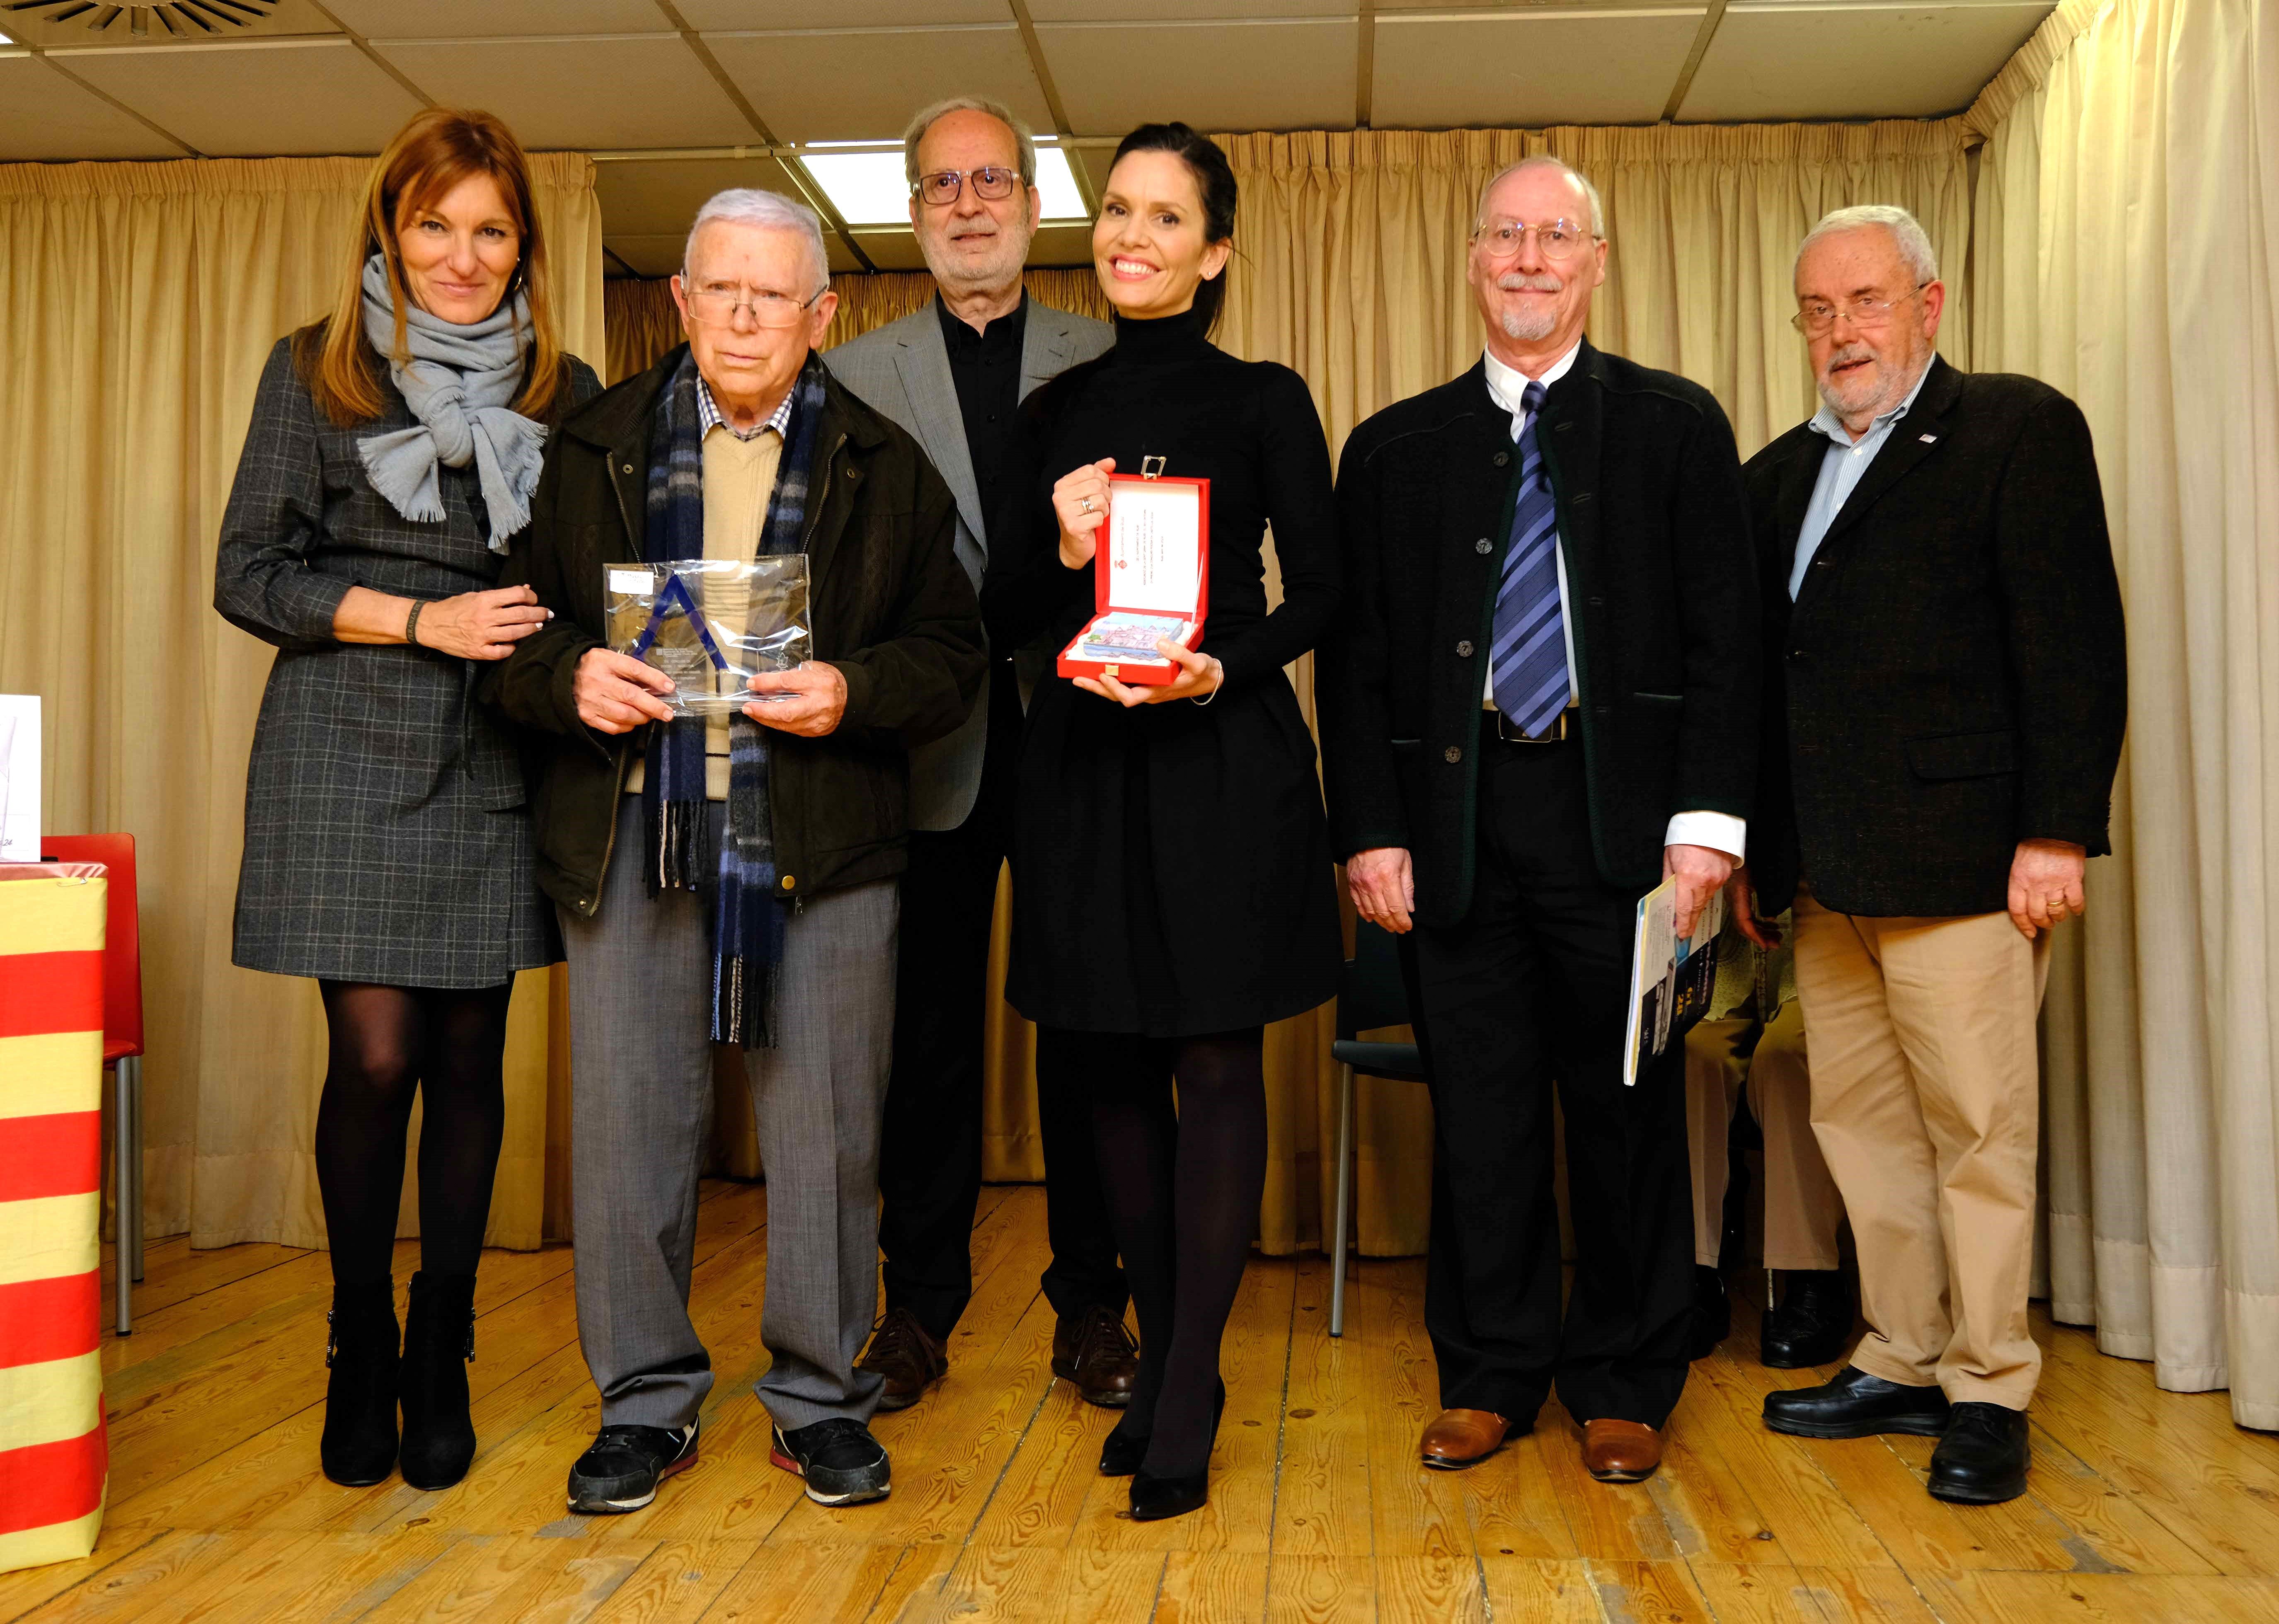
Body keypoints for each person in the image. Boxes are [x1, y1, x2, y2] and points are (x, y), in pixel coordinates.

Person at [487, 189, 983, 1513]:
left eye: (778, 294)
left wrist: (853, 693)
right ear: (685, 302)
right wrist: (568, 679)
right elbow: (514, 647)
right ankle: (643, 1405)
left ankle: (821, 1400)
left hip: (819, 841)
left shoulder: (889, 463)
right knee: (631, 1134)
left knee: (827, 1139)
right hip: (634, 827)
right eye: (725, 289)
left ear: (824, 315)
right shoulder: (584, 450)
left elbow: (952, 656)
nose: (749, 315)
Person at [1319, 156, 1758, 1485]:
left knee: (1624, 1108)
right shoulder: (1393, 446)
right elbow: (1358, 660)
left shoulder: (1679, 428)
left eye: (1552, 236)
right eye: (1505, 235)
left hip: (1624, 825)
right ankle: (1493, 1371)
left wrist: (1707, 827)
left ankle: (1624, 1377)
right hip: (1456, 823)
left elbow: (1726, 637)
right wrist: (1371, 828)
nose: (1526, 256)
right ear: (1473, 259)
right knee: (1484, 1112)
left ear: (1596, 261)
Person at [213, 107, 598, 1494]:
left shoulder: (566, 386)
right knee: (374, 1057)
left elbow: (592, 576)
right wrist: (406, 617)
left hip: (498, 744)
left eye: (489, 228)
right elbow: (249, 573)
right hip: (345, 739)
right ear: (390, 229)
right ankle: (357, 1335)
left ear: (522, 249)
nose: (459, 254)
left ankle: (443, 1343)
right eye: (433, 223)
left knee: (466, 1056)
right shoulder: (312, 371)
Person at [1734, 204, 2126, 1505]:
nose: (1843, 331)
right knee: (1861, 1127)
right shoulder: (1776, 474)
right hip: (1827, 875)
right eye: (1819, 309)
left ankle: (1989, 1382)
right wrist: (1751, 850)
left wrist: (2056, 829)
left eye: (1867, 301)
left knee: (1978, 1132)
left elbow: (2072, 644)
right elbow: (1760, 678)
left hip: (1965, 862)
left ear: (1929, 305)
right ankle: (1900, 1354)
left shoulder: (2017, 428)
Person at [981, 123, 1341, 1522]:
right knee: (1102, 1065)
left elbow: (1319, 592)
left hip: (1214, 754)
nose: (1131, 235)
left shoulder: (1262, 397)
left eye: (1163, 216)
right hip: (1080, 763)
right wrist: (1063, 553)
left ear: (1213, 250)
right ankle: (1165, 1349)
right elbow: (1006, 615)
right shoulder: (1041, 417)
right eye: (1116, 210)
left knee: (1209, 1053)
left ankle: (1183, 1378)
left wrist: (1221, 664)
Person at [824, 96, 1133, 1413]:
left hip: (1080, 745)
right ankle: (919, 1311)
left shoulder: (1113, 356)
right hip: (927, 749)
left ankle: (1094, 1314)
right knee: (931, 1043)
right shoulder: (852, 373)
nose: (967, 203)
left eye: (990, 180)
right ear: (913, 214)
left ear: (1030, 202)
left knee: (1089, 1039)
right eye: (942, 185)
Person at [1682, 928, 1850, 1368]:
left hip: (1814, 934)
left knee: (1790, 1054)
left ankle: (1811, 1271)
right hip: (1719, 940)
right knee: (1695, 1052)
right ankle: (1697, 1268)